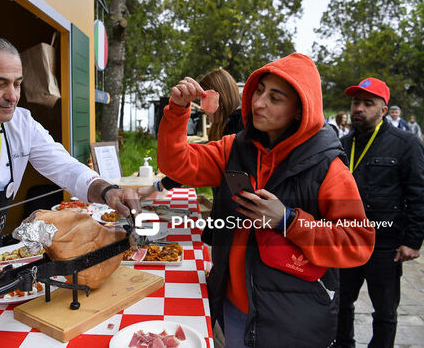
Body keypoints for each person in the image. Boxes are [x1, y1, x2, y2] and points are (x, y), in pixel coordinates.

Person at [157, 53, 375, 348]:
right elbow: (177, 164)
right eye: (258, 91)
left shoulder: (328, 168)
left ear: (300, 109)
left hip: (292, 322)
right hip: (234, 308)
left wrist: (288, 220)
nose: (259, 103)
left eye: (275, 98)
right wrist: (177, 110)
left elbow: (357, 243)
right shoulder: (235, 147)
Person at [0, 35, 139, 301]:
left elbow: (66, 168)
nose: (13, 96)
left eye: (17, 84)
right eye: (0, 84)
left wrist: (108, 191)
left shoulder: (22, 123)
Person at [336, 77, 424, 348]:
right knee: (340, 304)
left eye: (367, 103)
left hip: (384, 244)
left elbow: (419, 193)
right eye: (355, 102)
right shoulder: (343, 143)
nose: (358, 108)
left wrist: (412, 240)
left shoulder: (405, 143)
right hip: (345, 241)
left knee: (385, 312)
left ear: (383, 110)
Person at [138, 68, 243, 198]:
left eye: (204, 102)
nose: (202, 110)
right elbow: (191, 164)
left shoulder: (239, 129)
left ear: (219, 101)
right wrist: (156, 187)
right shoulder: (225, 128)